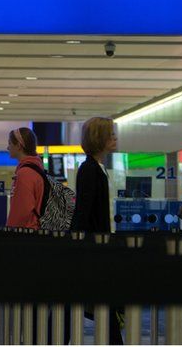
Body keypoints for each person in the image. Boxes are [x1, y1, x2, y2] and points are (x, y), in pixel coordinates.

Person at [72, 117, 122, 345]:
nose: (114, 138)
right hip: (95, 247)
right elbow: (83, 212)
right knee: (103, 306)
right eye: (110, 134)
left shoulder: (97, 168)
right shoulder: (90, 170)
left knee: (104, 307)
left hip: (100, 246)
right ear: (99, 138)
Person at [6, 128, 45, 230]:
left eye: (10, 143)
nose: (7, 147)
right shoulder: (34, 168)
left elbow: (22, 209)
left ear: (18, 146)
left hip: (27, 232)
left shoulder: (25, 173)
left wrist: (9, 230)